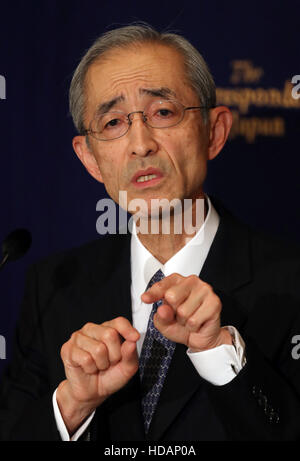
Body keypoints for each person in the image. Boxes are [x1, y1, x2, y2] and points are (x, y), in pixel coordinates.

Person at [1, 23, 300, 442]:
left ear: (213, 133)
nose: (141, 144)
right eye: (113, 122)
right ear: (90, 159)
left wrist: (218, 352)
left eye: (163, 112)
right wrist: (73, 405)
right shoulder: (51, 287)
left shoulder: (291, 282)